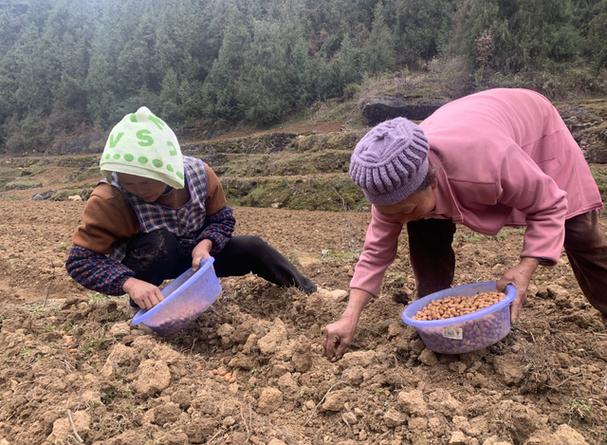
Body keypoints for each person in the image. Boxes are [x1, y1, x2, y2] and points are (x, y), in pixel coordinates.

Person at [324, 88, 606, 360]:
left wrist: (525, 267)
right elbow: (375, 254)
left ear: (432, 180)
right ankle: (434, 317)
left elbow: (550, 202)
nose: (398, 219)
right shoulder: (391, 189)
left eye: (406, 209)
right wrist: (349, 317)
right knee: (422, 227)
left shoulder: (486, 160)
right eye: (390, 214)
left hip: (534, 127)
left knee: (580, 232)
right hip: (466, 127)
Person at [66, 106, 315, 310]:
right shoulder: (111, 197)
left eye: (143, 182)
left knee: (253, 247)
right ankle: (145, 306)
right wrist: (130, 284)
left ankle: (311, 293)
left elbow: (222, 219)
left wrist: (206, 243)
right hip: (151, 262)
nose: (134, 189)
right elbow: (81, 261)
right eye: (126, 180)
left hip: (199, 258)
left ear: (168, 175)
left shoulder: (199, 175)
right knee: (161, 242)